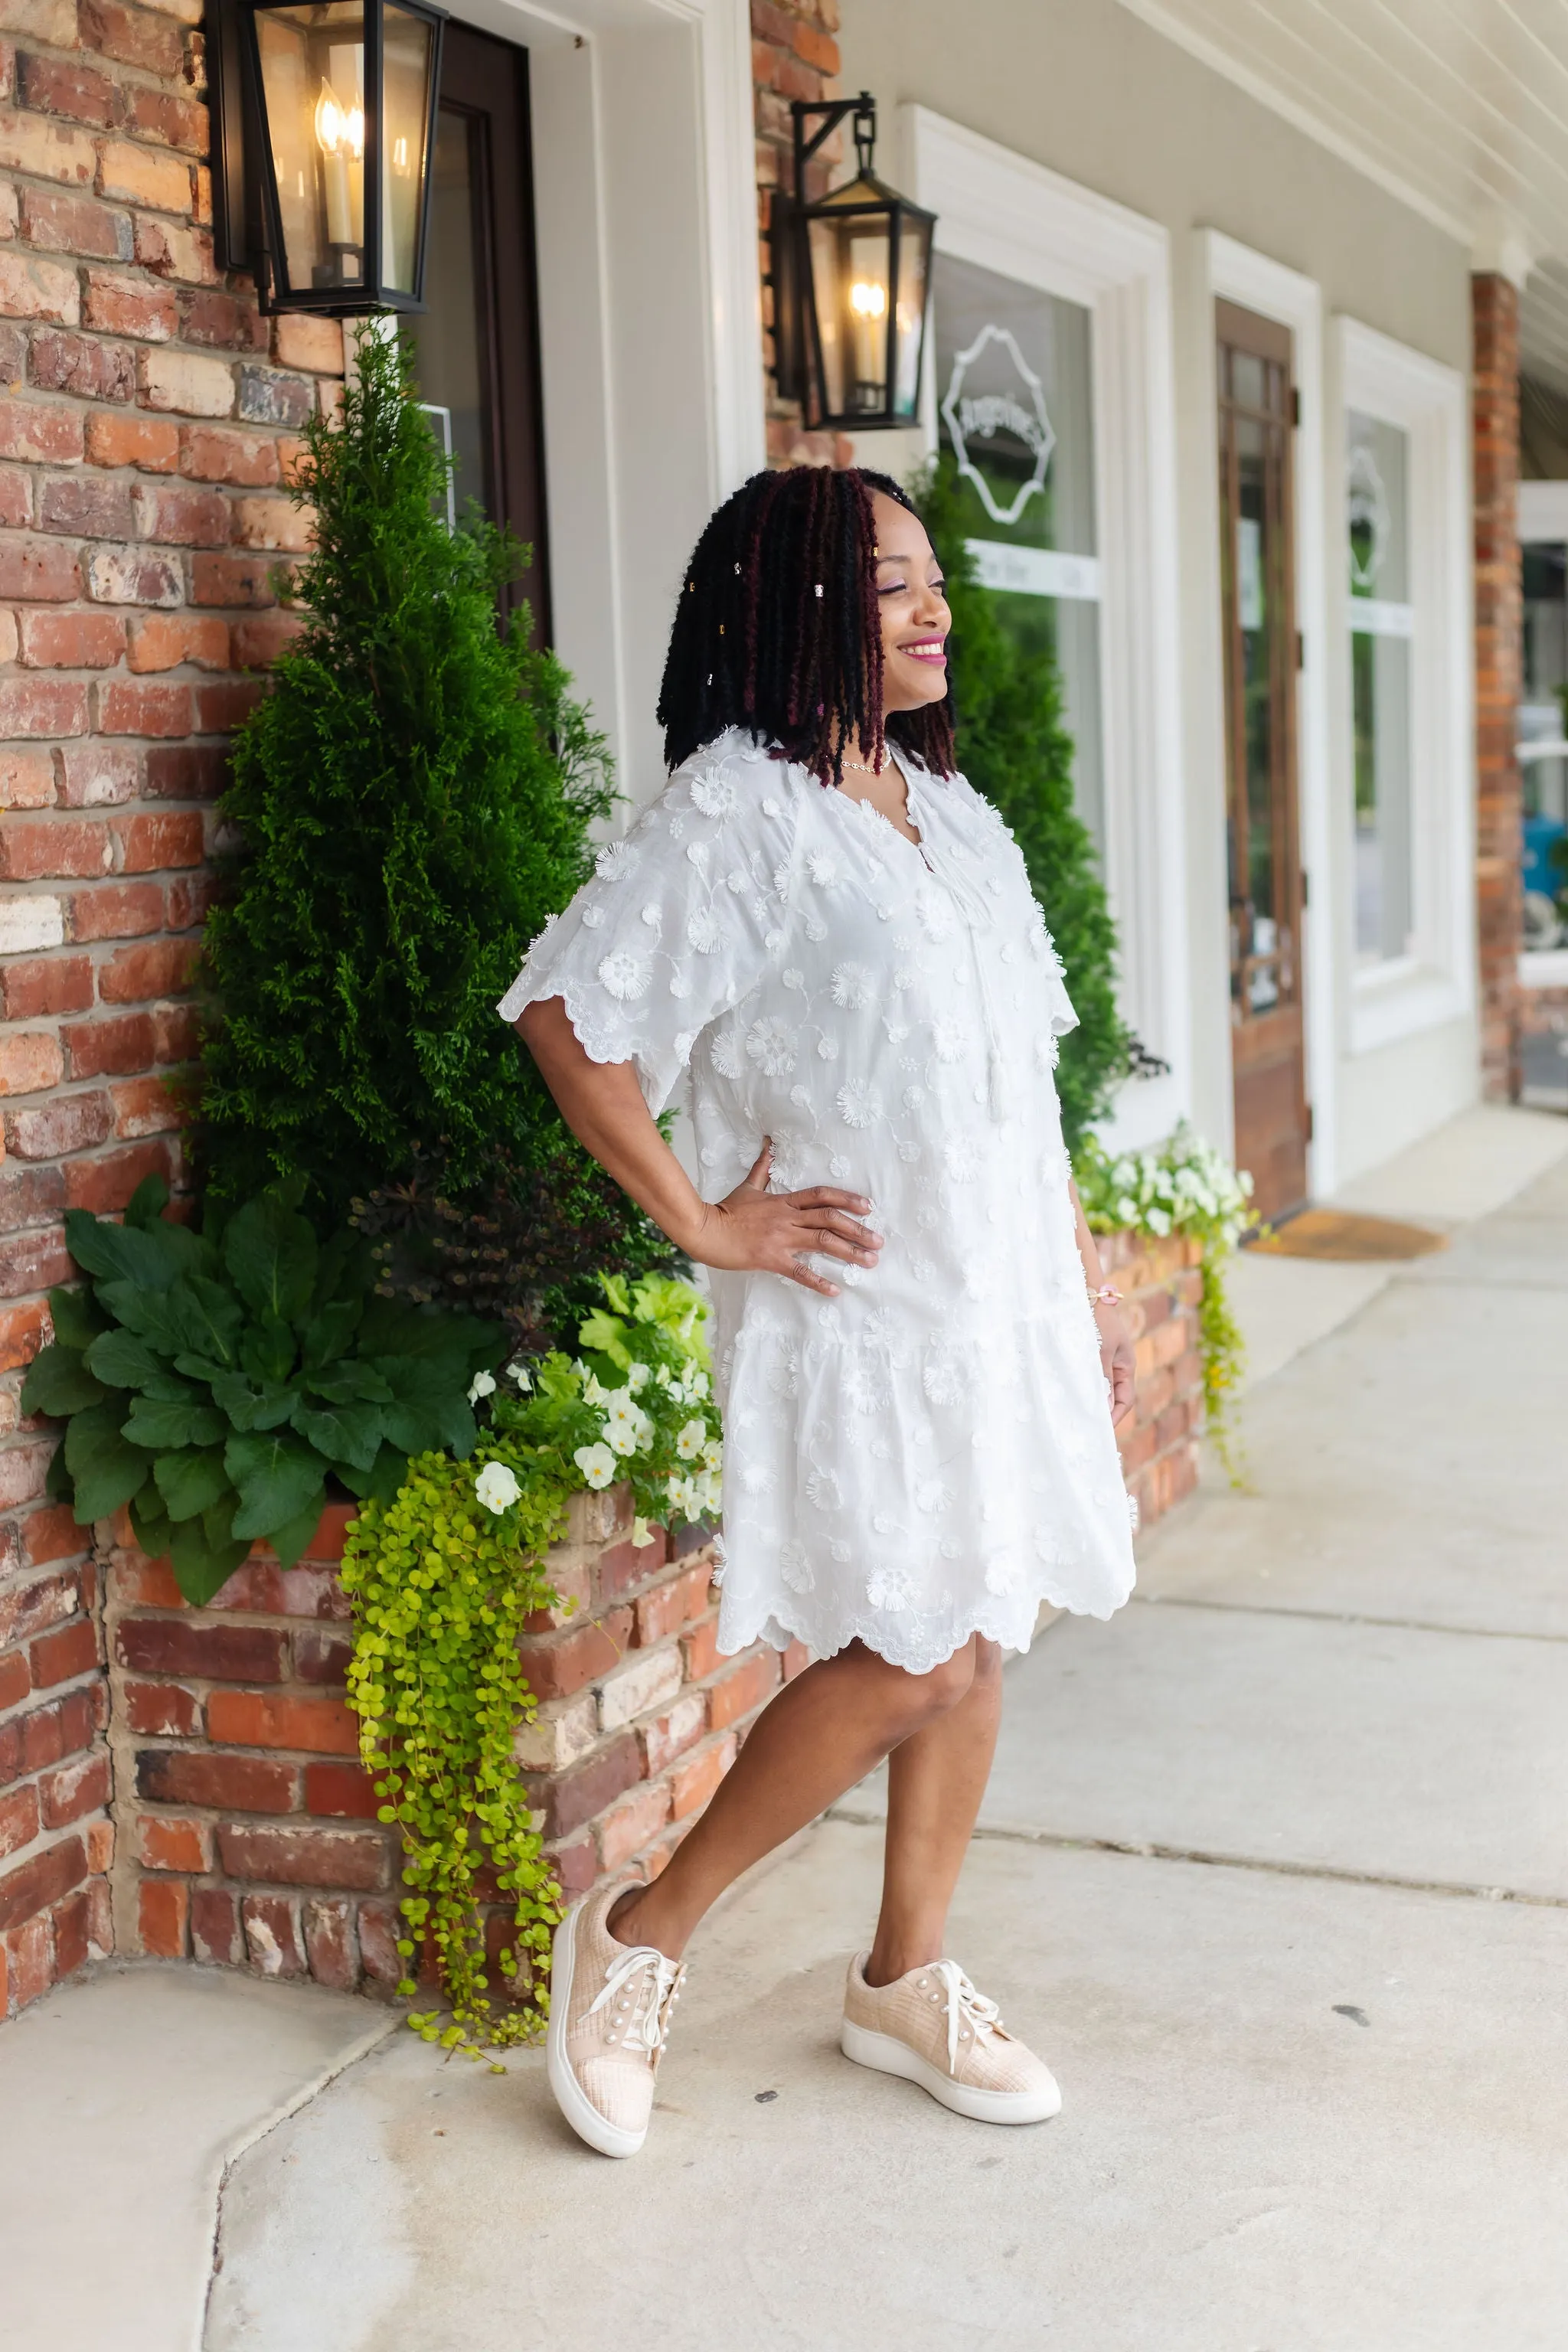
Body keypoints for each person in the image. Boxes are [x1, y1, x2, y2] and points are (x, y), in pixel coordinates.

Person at [500, 463, 1136, 2159]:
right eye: (890, 586)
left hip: (989, 1295)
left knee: (980, 1619)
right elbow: (572, 1015)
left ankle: (902, 1977)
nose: (934, 612)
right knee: (909, 1649)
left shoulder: (955, 816)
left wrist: (1051, 1259)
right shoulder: (739, 811)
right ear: (790, 610)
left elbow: (1007, 1073)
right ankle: (639, 1934)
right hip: (857, 1303)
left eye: (933, 580)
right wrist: (703, 1218)